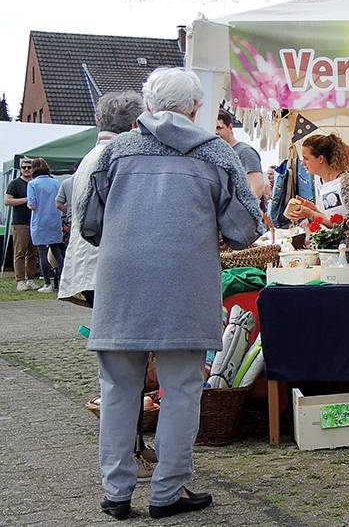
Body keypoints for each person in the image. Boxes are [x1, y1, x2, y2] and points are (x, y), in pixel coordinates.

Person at [79, 67, 264, 519]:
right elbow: (246, 229)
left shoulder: (114, 152)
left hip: (122, 284)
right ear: (196, 109)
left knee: (118, 389)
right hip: (186, 283)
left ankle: (117, 492)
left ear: (147, 105)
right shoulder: (218, 154)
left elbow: (88, 223)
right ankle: (168, 492)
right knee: (182, 389)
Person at [58, 91, 160, 478]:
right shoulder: (115, 157)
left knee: (122, 368)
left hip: (97, 271)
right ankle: (127, 456)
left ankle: (129, 451)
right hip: (112, 272)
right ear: (135, 124)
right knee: (125, 371)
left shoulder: (93, 156)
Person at [285, 133, 349, 231]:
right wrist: (314, 210)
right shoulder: (323, 183)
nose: (302, 163)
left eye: (306, 158)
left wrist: (311, 214)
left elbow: (345, 226)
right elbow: (335, 223)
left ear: (321, 159)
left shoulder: (346, 182)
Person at [25, 159, 66, 293]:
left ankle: (47, 284)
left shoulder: (32, 184)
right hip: (54, 221)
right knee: (57, 252)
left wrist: (28, 204)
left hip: (40, 221)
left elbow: (32, 205)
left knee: (42, 252)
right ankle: (64, 282)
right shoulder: (55, 182)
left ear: (34, 169)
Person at [5, 159, 40, 291]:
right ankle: (20, 280)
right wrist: (26, 199)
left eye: (29, 167)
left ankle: (30, 278)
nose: (26, 169)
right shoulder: (15, 183)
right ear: (20, 169)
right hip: (20, 222)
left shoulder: (36, 183)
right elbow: (7, 201)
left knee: (33, 252)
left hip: (35, 221)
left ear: (33, 169)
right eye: (24, 167)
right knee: (20, 252)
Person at [215, 110, 267, 199]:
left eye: (219, 128)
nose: (216, 132)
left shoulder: (245, 152)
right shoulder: (217, 153)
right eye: (213, 128)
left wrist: (243, 207)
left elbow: (258, 188)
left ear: (230, 127)